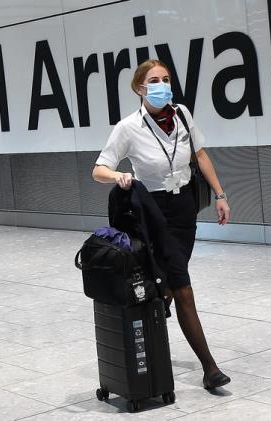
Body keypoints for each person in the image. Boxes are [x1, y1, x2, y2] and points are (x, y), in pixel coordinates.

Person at [92, 59, 232, 390]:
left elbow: (200, 155)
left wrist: (220, 194)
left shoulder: (182, 114)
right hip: (152, 211)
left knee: (166, 283)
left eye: (166, 79)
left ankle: (149, 326)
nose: (162, 86)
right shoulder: (128, 127)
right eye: (154, 80)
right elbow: (98, 170)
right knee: (182, 286)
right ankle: (210, 368)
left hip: (184, 208)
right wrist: (118, 175)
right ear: (140, 88)